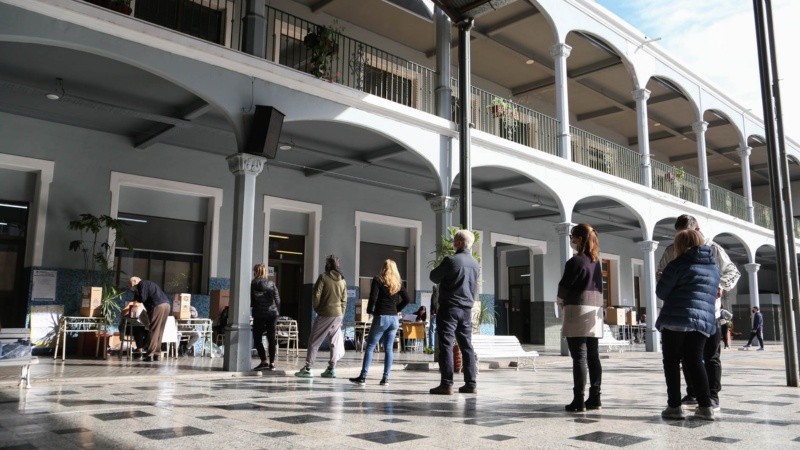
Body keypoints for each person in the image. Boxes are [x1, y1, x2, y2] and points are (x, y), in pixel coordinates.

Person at [657, 214, 740, 410]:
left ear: (697, 229)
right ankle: (693, 393)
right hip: (683, 311)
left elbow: (732, 271)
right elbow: (661, 272)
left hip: (710, 311)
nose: (682, 239)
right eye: (679, 235)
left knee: (710, 356)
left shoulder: (714, 249)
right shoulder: (671, 250)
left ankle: (712, 396)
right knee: (689, 357)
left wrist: (720, 285)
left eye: (686, 234)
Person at [656, 229, 720, 421]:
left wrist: (661, 279)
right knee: (695, 361)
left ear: (680, 245)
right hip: (702, 320)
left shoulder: (678, 264)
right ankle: (705, 406)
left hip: (676, 318)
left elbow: (662, 292)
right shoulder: (713, 268)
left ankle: (674, 406)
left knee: (672, 362)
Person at [557, 223, 604, 412]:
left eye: (572, 237)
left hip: (577, 309)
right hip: (595, 311)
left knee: (579, 357)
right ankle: (595, 398)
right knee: (593, 356)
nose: (571, 240)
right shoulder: (596, 261)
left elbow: (564, 287)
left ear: (579, 239)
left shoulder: (575, 261)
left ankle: (578, 400)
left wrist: (560, 302)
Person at [429, 229, 480, 395]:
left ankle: (446, 384)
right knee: (466, 346)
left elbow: (434, 277)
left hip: (449, 308)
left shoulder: (451, 260)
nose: (452, 243)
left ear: (458, 243)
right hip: (466, 309)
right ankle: (471, 384)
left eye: (454, 240)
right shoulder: (475, 263)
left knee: (446, 345)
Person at [349, 259, 410, 386]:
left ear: (384, 268)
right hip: (394, 319)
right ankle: (385, 379)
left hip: (381, 317)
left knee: (370, 346)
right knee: (389, 349)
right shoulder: (397, 283)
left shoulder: (378, 279)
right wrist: (396, 309)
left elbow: (373, 297)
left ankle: (363, 377)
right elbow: (407, 299)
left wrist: (370, 310)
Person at [295, 255, 347, 379]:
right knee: (334, 342)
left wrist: (318, 309)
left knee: (314, 340)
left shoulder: (323, 277)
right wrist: (342, 315)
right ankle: (331, 369)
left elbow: (316, 295)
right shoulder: (342, 280)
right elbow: (344, 301)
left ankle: (308, 368)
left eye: (326, 263)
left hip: (325, 313)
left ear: (329, 264)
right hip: (338, 314)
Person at [129, 276, 171, 362]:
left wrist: (135, 294)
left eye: (130, 284)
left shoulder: (142, 284)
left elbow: (142, 298)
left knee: (153, 330)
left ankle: (150, 355)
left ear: (135, 281)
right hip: (166, 305)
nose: (130, 286)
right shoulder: (148, 283)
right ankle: (156, 354)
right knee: (160, 330)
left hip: (157, 306)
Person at [251, 263, 281, 371]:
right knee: (271, 337)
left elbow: (252, 301)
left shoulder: (253, 284)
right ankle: (272, 363)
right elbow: (278, 301)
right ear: (265, 272)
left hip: (259, 314)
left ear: (255, 272)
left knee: (257, 337)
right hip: (272, 314)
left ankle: (264, 361)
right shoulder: (271, 283)